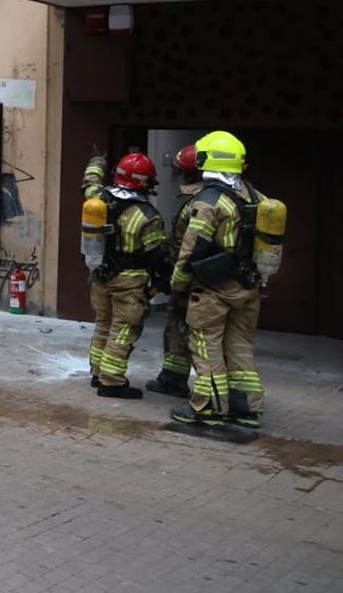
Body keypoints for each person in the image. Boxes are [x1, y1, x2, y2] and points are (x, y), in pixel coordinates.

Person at [169, 131, 276, 430]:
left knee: (206, 347)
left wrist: (177, 284)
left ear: (206, 159)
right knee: (240, 346)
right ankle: (246, 409)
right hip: (247, 286)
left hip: (213, 289)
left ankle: (208, 409)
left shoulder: (209, 201)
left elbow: (192, 249)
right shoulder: (257, 197)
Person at [81, 152, 168, 399]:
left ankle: (97, 373)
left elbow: (90, 182)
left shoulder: (97, 198)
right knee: (123, 329)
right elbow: (156, 256)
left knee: (103, 324)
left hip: (99, 275)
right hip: (129, 282)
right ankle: (112, 382)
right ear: (145, 182)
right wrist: (163, 281)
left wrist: (96, 161)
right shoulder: (149, 216)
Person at [145, 145, 200, 398]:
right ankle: (173, 378)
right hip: (205, 280)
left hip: (194, 282)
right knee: (178, 328)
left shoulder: (198, 204)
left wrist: (171, 278)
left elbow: (183, 247)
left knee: (192, 333)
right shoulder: (230, 198)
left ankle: (211, 395)